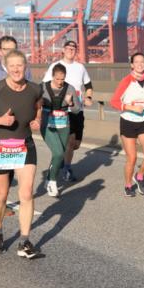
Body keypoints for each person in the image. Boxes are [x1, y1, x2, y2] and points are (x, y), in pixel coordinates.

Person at [0, 49, 42, 258]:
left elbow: (38, 107)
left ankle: (24, 241)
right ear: (6, 67)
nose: (16, 69)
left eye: (20, 65)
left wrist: (37, 120)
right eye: (12, 65)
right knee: (1, 194)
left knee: (26, 193)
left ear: (26, 66)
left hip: (24, 145)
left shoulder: (34, 89)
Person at [42, 40, 93, 182]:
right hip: (62, 111)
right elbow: (45, 85)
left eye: (73, 48)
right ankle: (66, 169)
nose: (71, 50)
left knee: (75, 144)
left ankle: (61, 164)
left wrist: (88, 97)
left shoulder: (80, 68)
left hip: (77, 110)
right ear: (63, 50)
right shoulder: (56, 66)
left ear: (76, 51)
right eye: (68, 48)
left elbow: (89, 85)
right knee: (69, 142)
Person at [111, 53, 144, 196]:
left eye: (142, 62)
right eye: (136, 62)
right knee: (132, 157)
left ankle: (140, 176)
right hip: (128, 122)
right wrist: (131, 107)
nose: (140, 64)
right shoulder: (126, 81)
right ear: (132, 65)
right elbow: (114, 102)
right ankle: (128, 185)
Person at [39, 63, 78, 198]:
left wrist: (71, 103)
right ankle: (52, 182)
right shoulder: (42, 88)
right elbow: (33, 104)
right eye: (57, 79)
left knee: (59, 156)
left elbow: (77, 109)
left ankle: (49, 178)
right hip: (47, 124)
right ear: (52, 76)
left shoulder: (70, 88)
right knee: (58, 153)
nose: (60, 82)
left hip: (63, 125)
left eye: (62, 79)